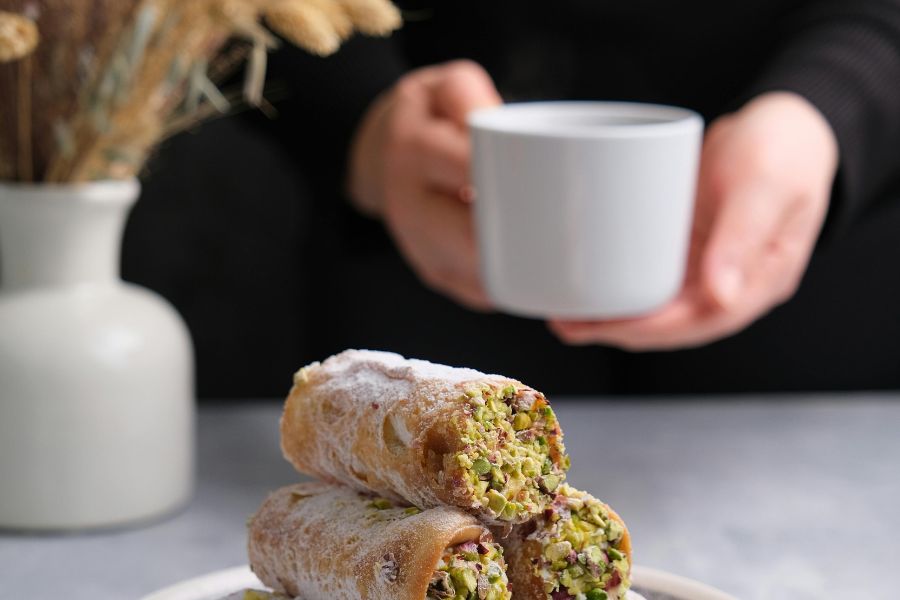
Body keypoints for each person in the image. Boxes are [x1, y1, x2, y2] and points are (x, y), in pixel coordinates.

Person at [125, 1, 900, 395]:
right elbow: (234, 11)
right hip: (417, 270)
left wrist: (839, 103)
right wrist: (361, 120)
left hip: (802, 318)